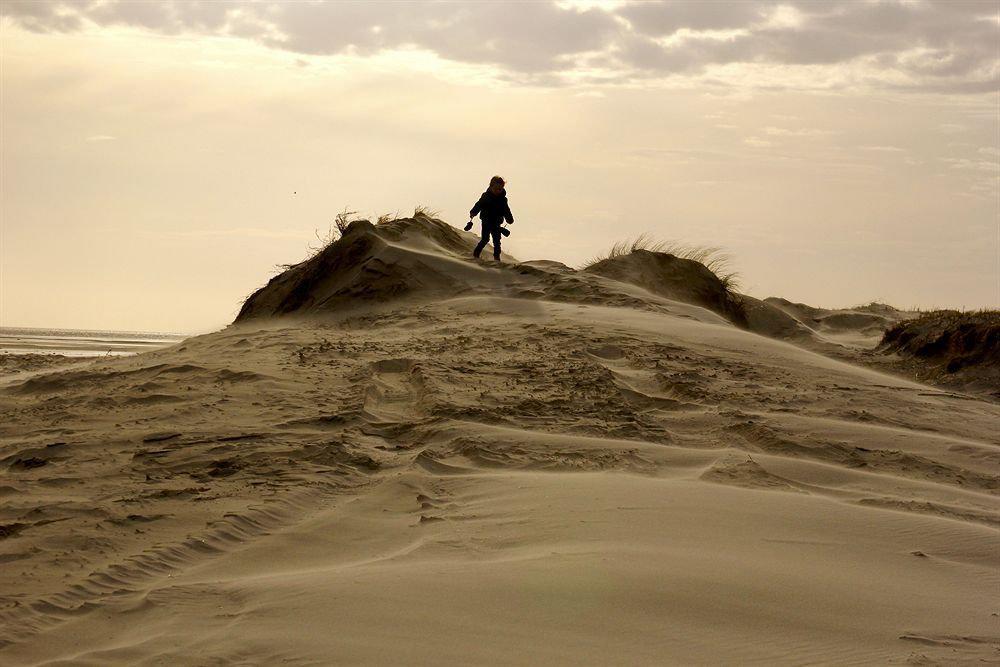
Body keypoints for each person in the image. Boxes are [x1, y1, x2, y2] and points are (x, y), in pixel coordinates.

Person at [465, 175, 514, 261]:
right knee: (485, 239)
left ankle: (496, 258)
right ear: (491, 186)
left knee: (497, 241)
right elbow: (479, 204)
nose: (498, 191)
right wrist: (473, 212)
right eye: (496, 188)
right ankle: (476, 254)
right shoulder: (486, 196)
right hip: (486, 221)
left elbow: (506, 209)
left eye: (500, 189)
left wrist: (509, 218)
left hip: (497, 223)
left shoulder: (503, 200)